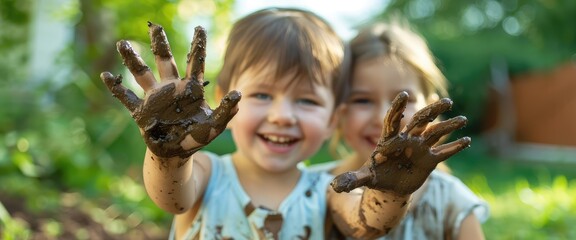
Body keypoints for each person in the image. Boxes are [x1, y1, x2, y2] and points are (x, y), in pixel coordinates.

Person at [100, 8, 471, 240]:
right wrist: (166, 149)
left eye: (307, 101)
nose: (282, 115)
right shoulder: (207, 175)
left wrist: (392, 191)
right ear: (220, 100)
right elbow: (171, 196)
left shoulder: (327, 191)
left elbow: (368, 223)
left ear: (332, 119)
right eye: (261, 95)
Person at [307, 22, 490, 239]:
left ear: (429, 107)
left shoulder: (451, 200)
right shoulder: (310, 187)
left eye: (404, 100)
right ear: (339, 110)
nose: (384, 117)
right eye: (362, 100)